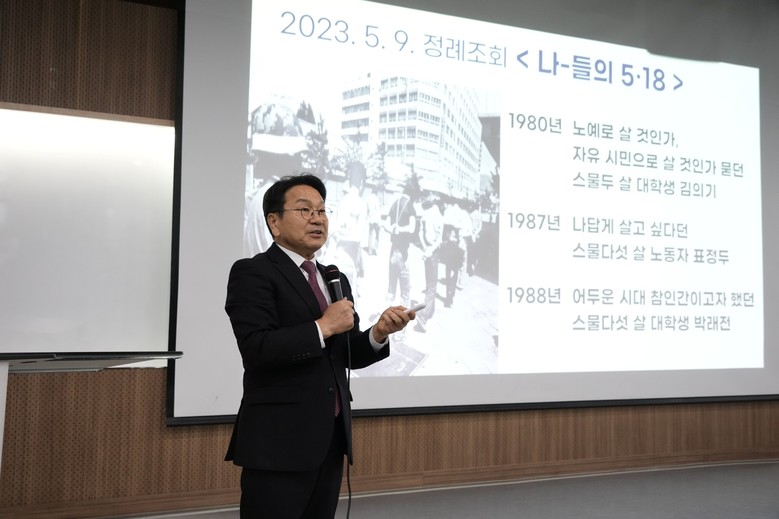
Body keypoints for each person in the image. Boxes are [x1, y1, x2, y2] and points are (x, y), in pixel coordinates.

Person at [225, 173, 415, 518]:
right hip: (278, 442)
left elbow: (346, 355)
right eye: (304, 210)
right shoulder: (253, 272)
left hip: (329, 440)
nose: (317, 218)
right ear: (274, 222)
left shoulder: (334, 277)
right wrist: (323, 326)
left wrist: (378, 333)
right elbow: (256, 349)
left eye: (322, 210)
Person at [414, 192, 443, 332]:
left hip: (426, 250)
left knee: (428, 282)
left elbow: (420, 233)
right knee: (432, 285)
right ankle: (424, 316)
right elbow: (439, 240)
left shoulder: (425, 215)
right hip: (433, 253)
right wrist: (430, 250)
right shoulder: (439, 217)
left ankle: (430, 310)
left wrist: (425, 247)